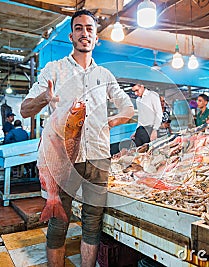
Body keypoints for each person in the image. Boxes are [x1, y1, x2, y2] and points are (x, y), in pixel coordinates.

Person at [20, 9, 134, 267]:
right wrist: (43, 99)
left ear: (96, 39)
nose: (85, 33)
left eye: (90, 29)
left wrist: (111, 121)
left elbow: (128, 108)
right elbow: (25, 109)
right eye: (79, 28)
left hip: (98, 158)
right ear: (71, 36)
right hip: (63, 160)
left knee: (93, 224)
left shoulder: (104, 76)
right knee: (59, 223)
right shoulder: (54, 69)